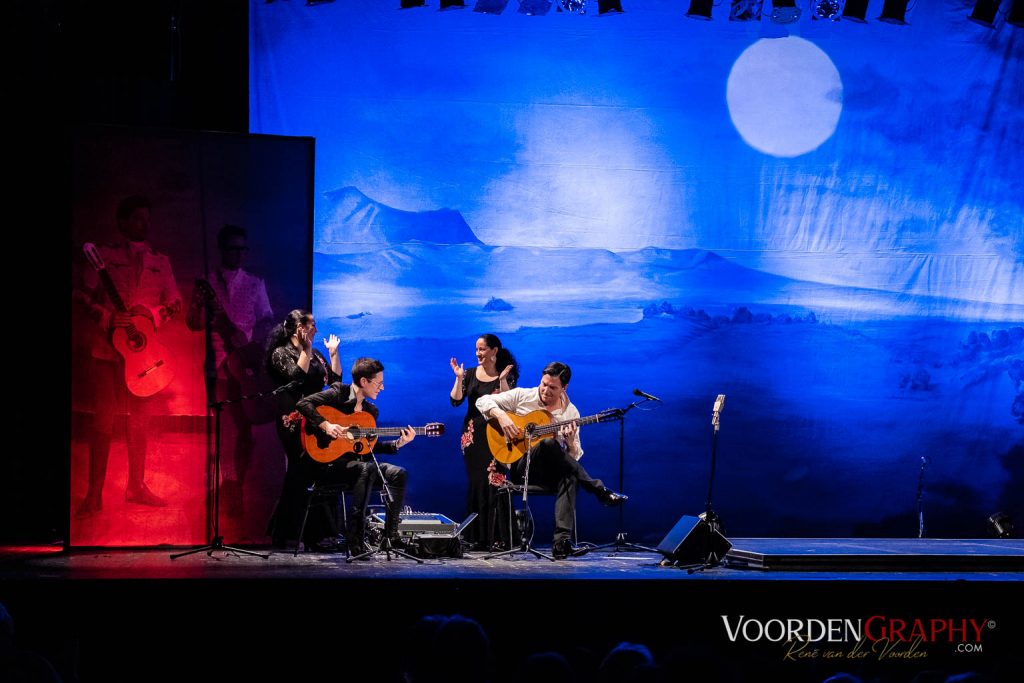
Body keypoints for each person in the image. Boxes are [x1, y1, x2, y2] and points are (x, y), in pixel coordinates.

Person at [72, 195, 182, 518]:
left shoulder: (161, 261)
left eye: (147, 219)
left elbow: (175, 301)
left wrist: (152, 313)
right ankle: (94, 494)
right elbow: (79, 295)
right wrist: (106, 317)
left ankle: (136, 487)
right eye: (137, 219)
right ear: (122, 222)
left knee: (140, 422)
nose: (144, 224)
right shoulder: (103, 256)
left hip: (144, 358)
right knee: (102, 421)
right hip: (107, 352)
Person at [475, 361, 626, 559]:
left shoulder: (570, 413)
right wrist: (502, 416)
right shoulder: (522, 396)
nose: (545, 390)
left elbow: (571, 459)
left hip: (550, 473)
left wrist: (571, 443)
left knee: (569, 475)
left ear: (564, 388)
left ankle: (561, 543)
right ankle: (598, 490)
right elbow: (482, 401)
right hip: (522, 468)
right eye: (543, 384)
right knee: (547, 444)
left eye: (552, 387)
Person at [185, 224, 274, 517]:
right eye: (233, 248)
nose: (238, 254)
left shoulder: (255, 283)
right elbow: (194, 324)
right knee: (221, 430)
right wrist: (197, 307)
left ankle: (236, 487)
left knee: (245, 429)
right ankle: (220, 487)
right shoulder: (206, 282)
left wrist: (251, 344)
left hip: (245, 367)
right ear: (222, 250)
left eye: (242, 249)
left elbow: (266, 321)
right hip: (216, 366)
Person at [295, 357, 415, 555]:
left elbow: (365, 448)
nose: (382, 388)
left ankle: (390, 537)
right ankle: (355, 538)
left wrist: (397, 444)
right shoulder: (338, 393)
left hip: (359, 469)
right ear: (364, 382)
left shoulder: (370, 412)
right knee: (365, 469)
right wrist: (326, 425)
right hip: (328, 466)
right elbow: (303, 404)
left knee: (398, 473)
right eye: (379, 383)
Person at [265, 309, 342, 547]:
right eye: (312, 325)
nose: (316, 330)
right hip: (294, 419)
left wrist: (333, 354)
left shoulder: (317, 353)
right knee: (300, 470)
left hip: (316, 418)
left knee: (315, 471)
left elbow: (334, 381)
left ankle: (311, 534)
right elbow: (296, 377)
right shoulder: (281, 353)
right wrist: (306, 350)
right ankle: (288, 533)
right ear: (299, 328)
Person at [448, 333, 519, 550]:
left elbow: (510, 406)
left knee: (496, 480)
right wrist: (459, 378)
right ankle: (477, 537)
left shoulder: (506, 372)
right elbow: (455, 401)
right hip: (473, 437)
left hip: (497, 435)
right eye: (476, 349)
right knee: (477, 482)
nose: (478, 353)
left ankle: (500, 537)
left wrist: (504, 381)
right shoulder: (469, 373)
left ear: (494, 351)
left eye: (482, 349)